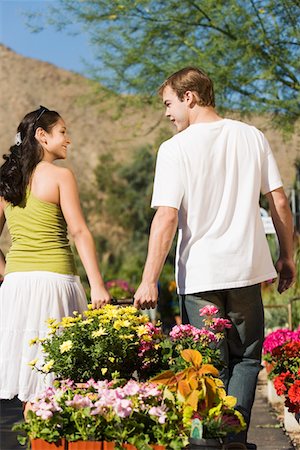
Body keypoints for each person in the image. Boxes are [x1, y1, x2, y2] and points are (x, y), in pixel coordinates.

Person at [134, 67, 296, 449]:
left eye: (169, 103)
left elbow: (167, 216)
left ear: (189, 97)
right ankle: (235, 440)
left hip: (201, 277)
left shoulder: (175, 149)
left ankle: (208, 443)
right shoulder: (251, 136)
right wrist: (287, 256)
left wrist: (148, 278)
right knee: (245, 360)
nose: (167, 113)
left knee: (206, 366)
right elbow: (280, 201)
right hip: (246, 273)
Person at [0, 106, 111, 405]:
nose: (68, 139)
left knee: (31, 382)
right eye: (62, 132)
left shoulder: (7, 181)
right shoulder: (61, 176)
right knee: (59, 380)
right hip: (55, 285)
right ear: (42, 136)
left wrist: (6, 270)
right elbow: (79, 232)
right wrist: (97, 285)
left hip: (16, 288)